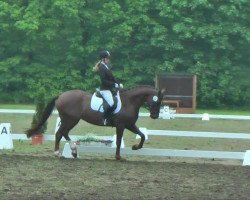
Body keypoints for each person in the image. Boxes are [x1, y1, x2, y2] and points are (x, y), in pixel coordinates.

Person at [93, 50, 123, 125]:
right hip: (105, 89)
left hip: (109, 89)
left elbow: (112, 78)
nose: (108, 60)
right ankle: (104, 118)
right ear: (103, 59)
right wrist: (114, 85)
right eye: (107, 58)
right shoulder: (101, 67)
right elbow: (104, 81)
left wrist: (119, 83)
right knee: (112, 103)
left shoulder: (105, 66)